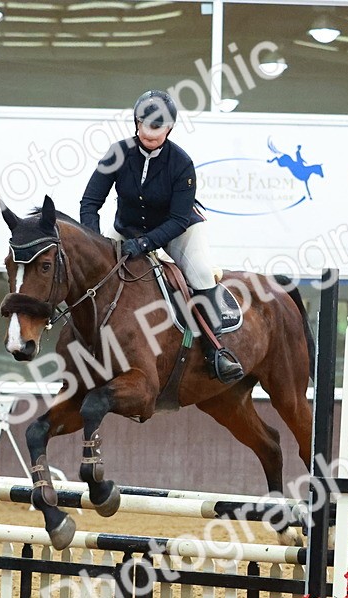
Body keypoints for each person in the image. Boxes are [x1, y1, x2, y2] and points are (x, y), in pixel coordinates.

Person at [79, 90, 244, 384]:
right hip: (127, 228)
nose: (150, 133)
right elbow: (90, 202)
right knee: (94, 271)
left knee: (202, 273)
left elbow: (179, 219)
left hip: (177, 230)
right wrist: (94, 241)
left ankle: (215, 351)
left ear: (169, 128)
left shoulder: (181, 163)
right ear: (136, 123)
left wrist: (144, 244)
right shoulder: (118, 153)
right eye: (145, 125)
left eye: (158, 127)